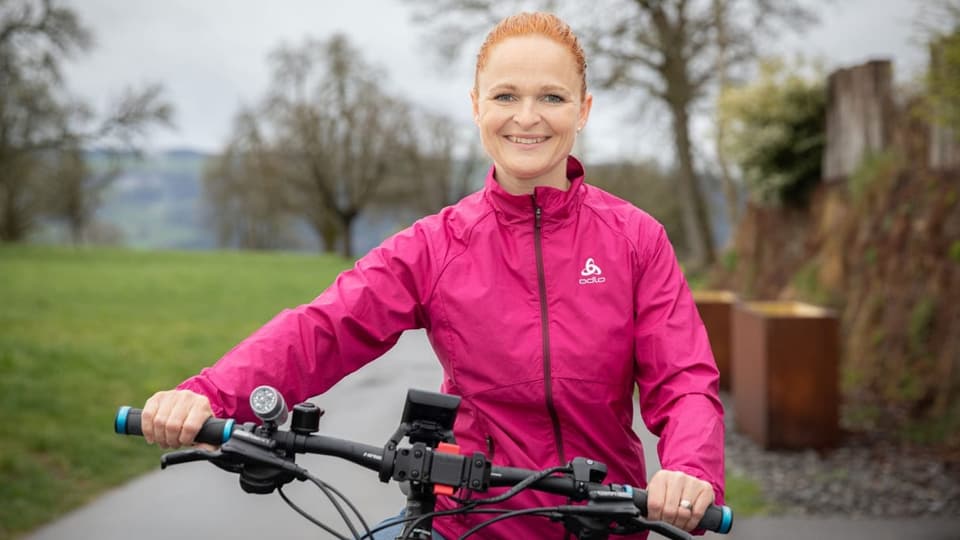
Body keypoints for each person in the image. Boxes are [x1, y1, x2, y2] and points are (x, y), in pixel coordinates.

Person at [140, 11, 724, 539]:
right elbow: (327, 326)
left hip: (603, 518)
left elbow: (684, 377)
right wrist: (206, 396)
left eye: (551, 96)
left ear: (583, 110)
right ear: (476, 107)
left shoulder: (634, 238)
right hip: (466, 521)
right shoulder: (439, 243)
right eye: (505, 95)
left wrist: (689, 470)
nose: (526, 117)